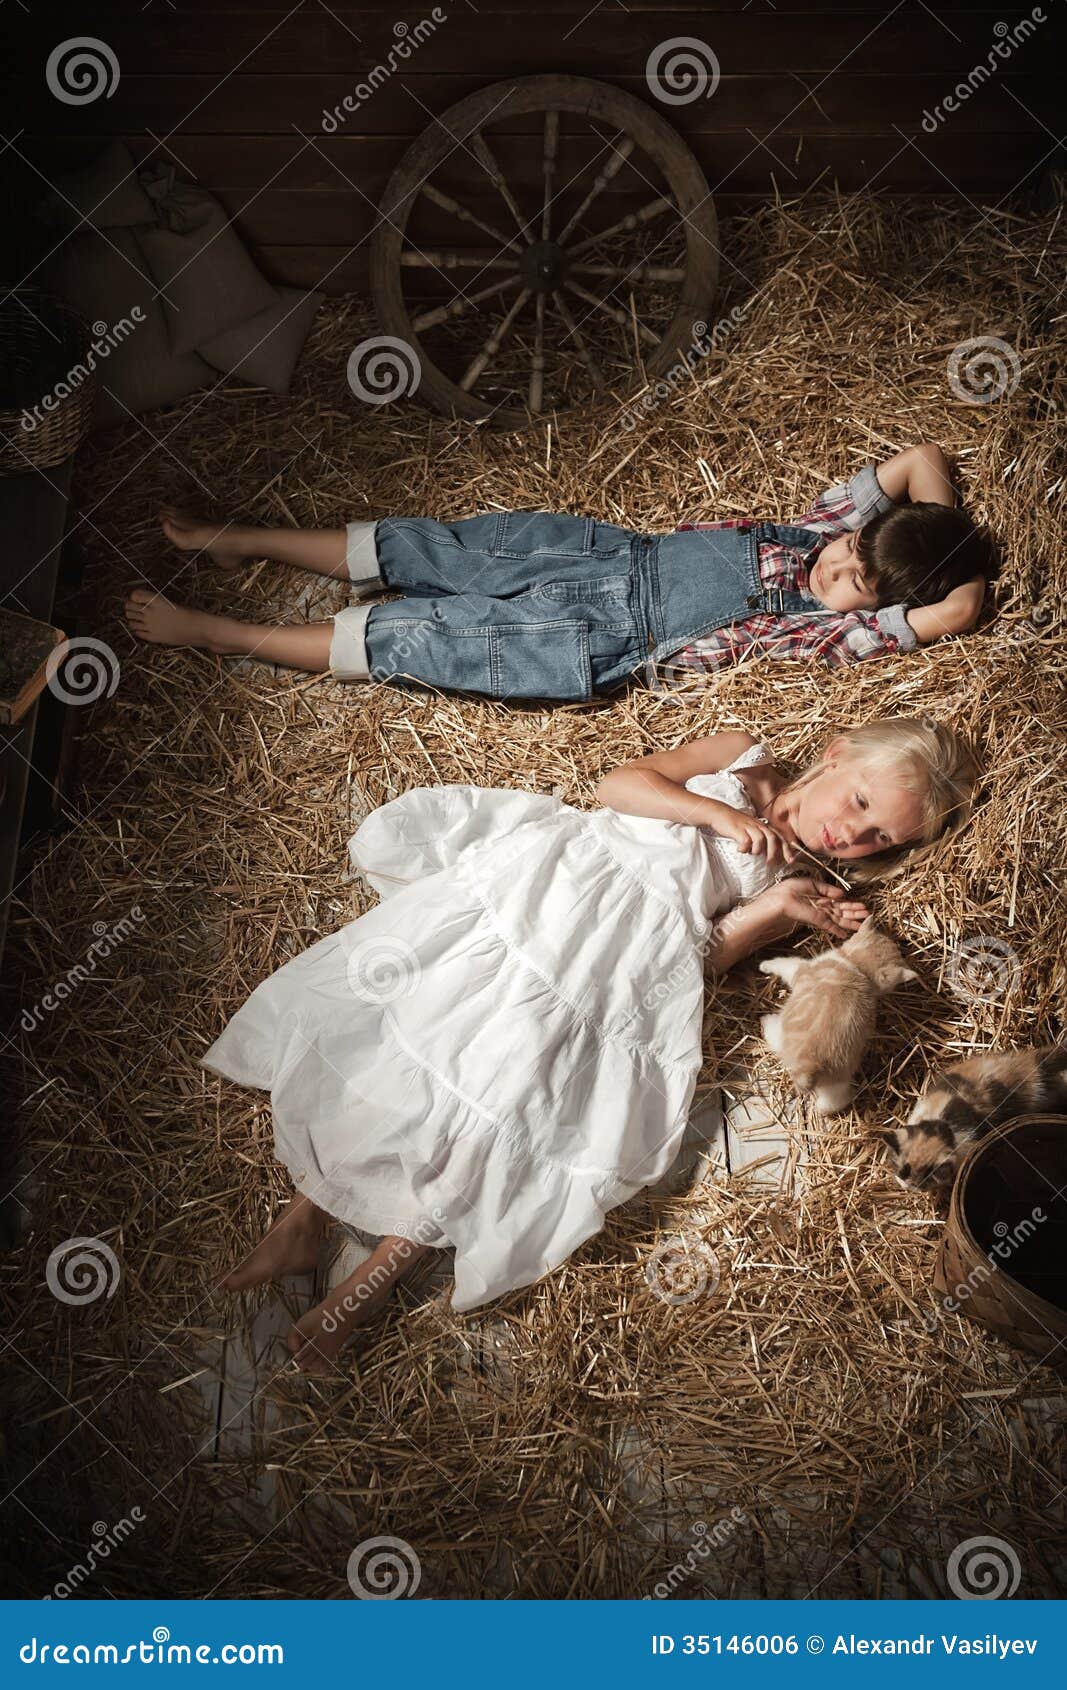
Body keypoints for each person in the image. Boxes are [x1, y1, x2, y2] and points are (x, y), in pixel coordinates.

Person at [202, 716, 975, 1374]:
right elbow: (619, 785)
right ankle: (307, 1212)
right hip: (553, 892)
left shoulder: (804, 876)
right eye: (862, 802)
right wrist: (715, 818)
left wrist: (772, 911)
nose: (853, 833)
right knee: (430, 1028)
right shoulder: (742, 758)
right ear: (835, 756)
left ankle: (365, 1286)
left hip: (622, 969)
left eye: (877, 837)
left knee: (510, 1104)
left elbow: (703, 960)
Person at [126, 445, 996, 701]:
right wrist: (924, 531)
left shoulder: (832, 634)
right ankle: (242, 538)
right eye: (853, 548)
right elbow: (919, 458)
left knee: (420, 636)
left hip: (595, 641)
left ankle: (222, 633)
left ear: (877, 612)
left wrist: (952, 572)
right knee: (426, 546)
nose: (834, 569)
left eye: (855, 582)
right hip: (599, 553)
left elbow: (957, 611)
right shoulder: (819, 534)